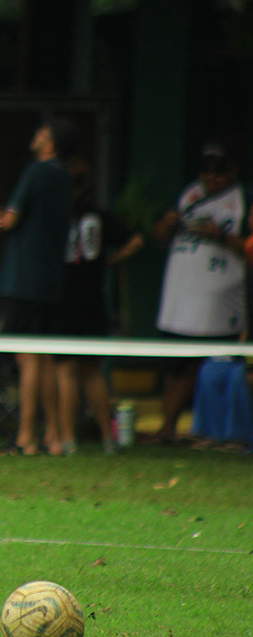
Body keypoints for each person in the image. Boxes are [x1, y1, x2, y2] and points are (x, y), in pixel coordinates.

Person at [147, 141, 249, 444]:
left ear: (233, 171)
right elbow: (158, 235)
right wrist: (166, 224)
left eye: (219, 172)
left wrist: (219, 235)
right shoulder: (187, 194)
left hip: (221, 305)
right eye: (206, 170)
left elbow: (248, 246)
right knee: (176, 367)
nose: (211, 177)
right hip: (180, 300)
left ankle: (223, 434)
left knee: (217, 368)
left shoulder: (244, 200)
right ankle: (168, 430)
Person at [0, 116, 76, 455]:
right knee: (45, 359)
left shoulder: (36, 172)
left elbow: (10, 217)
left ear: (51, 142)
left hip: (24, 279)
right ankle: (54, 436)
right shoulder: (65, 178)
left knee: (27, 359)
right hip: (50, 279)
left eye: (42, 133)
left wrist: (2, 220)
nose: (36, 136)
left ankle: (26, 436)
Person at [53, 157, 143, 455]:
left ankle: (68, 441)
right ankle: (107, 439)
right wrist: (108, 262)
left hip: (64, 300)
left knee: (66, 371)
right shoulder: (100, 216)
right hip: (93, 301)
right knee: (93, 371)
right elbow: (136, 241)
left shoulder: (55, 215)